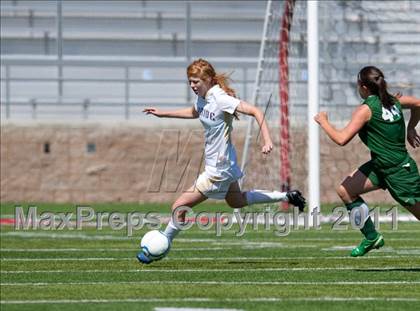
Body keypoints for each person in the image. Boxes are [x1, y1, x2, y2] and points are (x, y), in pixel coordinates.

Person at [138, 58, 306, 263]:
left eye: (196, 82)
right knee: (236, 201)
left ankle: (162, 246)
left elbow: (256, 111)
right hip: (224, 164)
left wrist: (267, 139)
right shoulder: (203, 98)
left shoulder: (220, 98)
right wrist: (163, 114)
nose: (192, 86)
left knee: (179, 206)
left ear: (208, 79)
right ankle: (287, 196)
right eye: (190, 82)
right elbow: (195, 111)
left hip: (218, 169)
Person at [314, 66, 420, 257]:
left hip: (398, 171)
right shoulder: (394, 100)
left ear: (363, 87)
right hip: (381, 166)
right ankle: (371, 237)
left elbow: (341, 139)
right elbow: (418, 104)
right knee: (346, 190)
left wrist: (324, 122)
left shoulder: (366, 109)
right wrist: (411, 128)